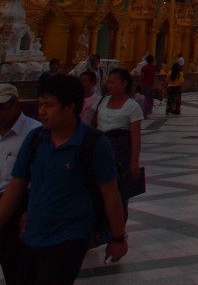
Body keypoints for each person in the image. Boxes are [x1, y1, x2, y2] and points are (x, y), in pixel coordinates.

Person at [0, 75, 127, 284]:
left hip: (69, 237)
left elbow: (110, 194)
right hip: (32, 234)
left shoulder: (93, 144)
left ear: (69, 107)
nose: (41, 111)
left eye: (48, 106)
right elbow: (16, 187)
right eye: (40, 105)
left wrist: (118, 238)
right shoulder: (35, 139)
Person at [0, 83, 41, 283]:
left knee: (15, 264)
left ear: (16, 105)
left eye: (2, 108)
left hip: (19, 203)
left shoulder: (34, 132)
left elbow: (41, 176)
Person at [95, 68, 144, 218]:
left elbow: (136, 137)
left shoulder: (132, 106)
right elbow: (96, 125)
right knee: (99, 189)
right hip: (102, 149)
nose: (109, 85)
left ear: (124, 84)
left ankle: (118, 231)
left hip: (121, 151)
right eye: (108, 81)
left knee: (120, 191)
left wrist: (134, 161)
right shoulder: (102, 101)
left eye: (113, 81)